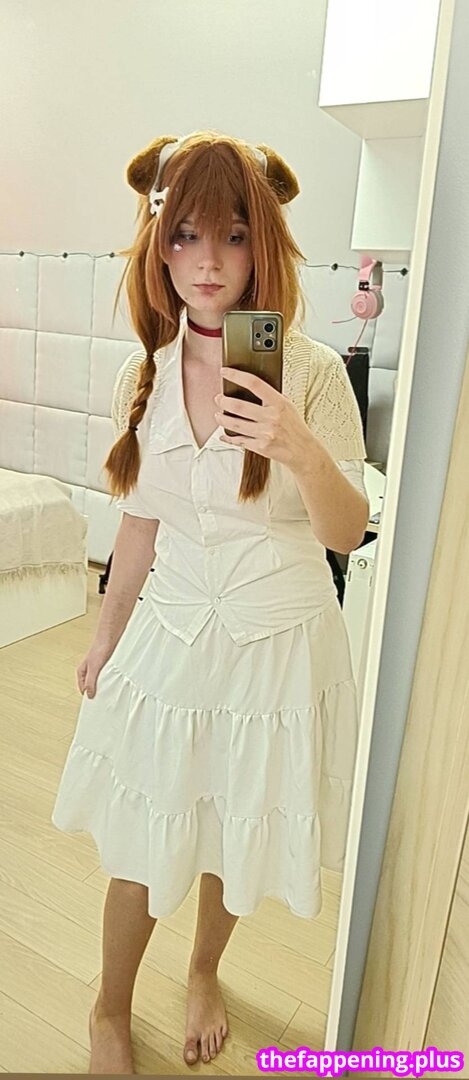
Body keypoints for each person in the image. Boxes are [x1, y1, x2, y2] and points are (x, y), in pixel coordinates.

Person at [51, 129, 369, 1074]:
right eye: (185, 235)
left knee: (233, 820)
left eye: (233, 236)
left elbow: (344, 531)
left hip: (278, 641)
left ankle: (202, 972)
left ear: (262, 245)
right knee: (144, 833)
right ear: (157, 244)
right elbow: (140, 527)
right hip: (177, 629)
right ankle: (109, 1008)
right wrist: (105, 639)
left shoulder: (307, 370)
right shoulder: (141, 374)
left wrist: (298, 447)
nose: (208, 263)